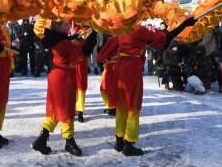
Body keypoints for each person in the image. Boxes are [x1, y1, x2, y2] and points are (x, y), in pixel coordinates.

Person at [93, 18, 196, 156]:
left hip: (120, 68)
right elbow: (165, 38)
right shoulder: (139, 30)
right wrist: (183, 24)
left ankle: (119, 140)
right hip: (132, 69)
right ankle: (129, 143)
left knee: (122, 106)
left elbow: (105, 51)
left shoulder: (120, 29)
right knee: (133, 106)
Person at [32, 20, 97, 156]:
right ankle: (69, 141)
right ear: (58, 28)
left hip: (57, 76)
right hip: (64, 78)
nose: (69, 27)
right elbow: (84, 52)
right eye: (65, 25)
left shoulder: (57, 40)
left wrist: (74, 38)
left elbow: (68, 42)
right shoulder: (64, 43)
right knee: (66, 109)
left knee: (56, 109)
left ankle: (42, 140)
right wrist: (93, 35)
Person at [97, 36, 118, 116]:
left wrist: (104, 58)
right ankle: (113, 106)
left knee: (105, 89)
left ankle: (112, 107)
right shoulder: (114, 38)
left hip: (112, 67)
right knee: (111, 88)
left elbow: (104, 53)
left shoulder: (112, 39)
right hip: (115, 66)